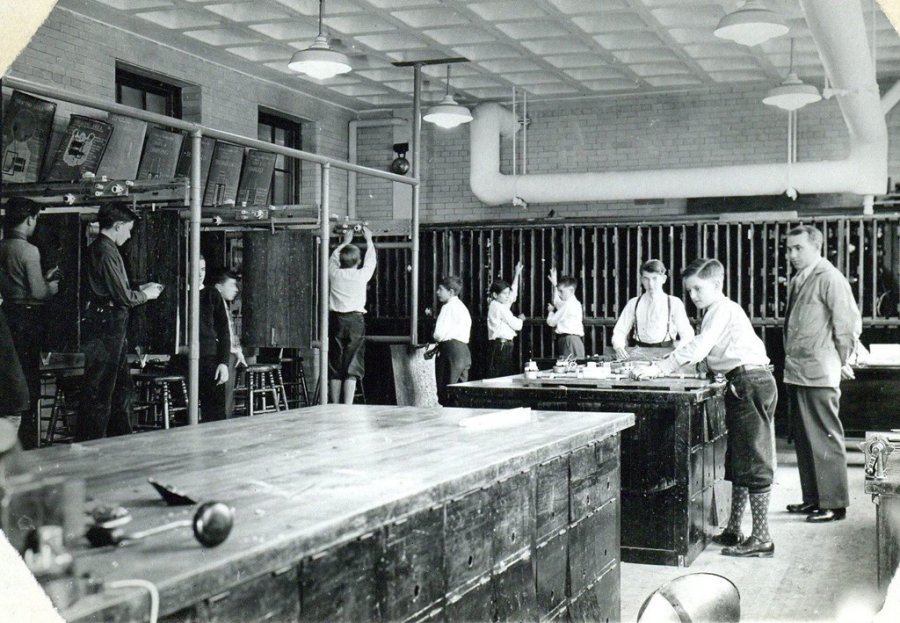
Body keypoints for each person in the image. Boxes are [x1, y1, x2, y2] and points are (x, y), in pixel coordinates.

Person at [633, 258, 778, 558]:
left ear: (716, 285)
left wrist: (661, 368)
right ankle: (735, 529)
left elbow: (700, 345)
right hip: (744, 382)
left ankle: (762, 538)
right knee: (740, 459)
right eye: (689, 291)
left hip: (749, 382)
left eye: (698, 289)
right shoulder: (717, 310)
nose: (693, 296)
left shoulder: (722, 309)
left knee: (754, 459)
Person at [783, 225, 861, 523]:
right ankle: (813, 499)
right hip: (798, 370)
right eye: (789, 249)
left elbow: (848, 326)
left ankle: (834, 503)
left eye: (798, 248)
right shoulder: (799, 279)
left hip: (818, 371)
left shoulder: (830, 278)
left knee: (825, 437)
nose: (791, 254)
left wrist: (839, 361)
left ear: (817, 248)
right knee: (804, 438)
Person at [76, 204, 163, 441]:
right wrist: (146, 295)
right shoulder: (105, 251)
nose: (129, 235)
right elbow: (122, 297)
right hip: (106, 331)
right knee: (101, 392)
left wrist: (138, 289)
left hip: (111, 330)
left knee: (121, 389)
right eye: (128, 230)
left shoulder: (104, 249)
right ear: (118, 226)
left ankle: (120, 441)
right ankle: (93, 446)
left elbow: (114, 290)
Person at [0, 198, 59, 449]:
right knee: (28, 383)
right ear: (29, 220)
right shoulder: (28, 250)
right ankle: (28, 445)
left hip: (7, 316)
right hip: (27, 320)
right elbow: (38, 292)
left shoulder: (1, 246)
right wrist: (52, 287)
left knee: (9, 382)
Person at [329, 225, 376, 404]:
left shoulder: (334, 273)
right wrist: (369, 240)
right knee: (353, 361)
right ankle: (347, 406)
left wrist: (344, 242)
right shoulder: (361, 275)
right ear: (357, 261)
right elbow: (371, 261)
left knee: (335, 361)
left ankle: (334, 405)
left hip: (336, 320)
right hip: (356, 320)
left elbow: (332, 258)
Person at [611, 258, 694, 359]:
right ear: (641, 280)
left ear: (663, 279)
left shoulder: (674, 303)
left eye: (655, 278)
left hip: (666, 353)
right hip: (638, 352)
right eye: (646, 278)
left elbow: (687, 334)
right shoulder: (633, 303)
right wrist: (619, 346)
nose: (650, 284)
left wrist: (677, 351)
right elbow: (620, 330)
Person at [199, 261, 246, 421]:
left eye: (203, 269)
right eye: (231, 285)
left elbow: (226, 332)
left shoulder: (214, 297)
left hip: (216, 357)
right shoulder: (211, 296)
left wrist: (228, 357)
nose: (236, 289)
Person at [433, 275, 471, 405]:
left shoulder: (447, 307)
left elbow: (438, 334)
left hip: (450, 352)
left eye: (440, 289)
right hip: (464, 351)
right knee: (459, 392)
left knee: (446, 391)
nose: (437, 292)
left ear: (451, 292)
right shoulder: (462, 307)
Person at [486, 261, 525, 378]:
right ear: (494, 295)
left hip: (502, 344)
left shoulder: (497, 304)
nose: (508, 296)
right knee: (500, 375)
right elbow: (517, 325)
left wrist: (517, 274)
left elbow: (513, 295)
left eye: (508, 293)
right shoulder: (499, 307)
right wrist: (521, 319)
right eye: (504, 294)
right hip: (501, 344)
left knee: (501, 374)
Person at [546, 268, 585, 358]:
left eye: (561, 291)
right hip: (570, 340)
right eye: (558, 291)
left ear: (571, 290)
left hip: (569, 341)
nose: (559, 294)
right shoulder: (573, 303)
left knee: (570, 369)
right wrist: (555, 284)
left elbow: (551, 322)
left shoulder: (568, 305)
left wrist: (551, 312)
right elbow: (557, 302)